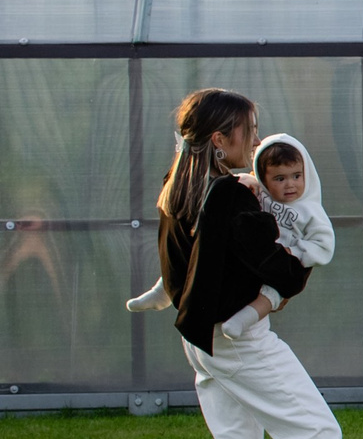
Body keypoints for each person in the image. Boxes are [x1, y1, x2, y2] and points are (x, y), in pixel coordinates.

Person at [153, 90, 345, 439]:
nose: (258, 141)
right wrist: (298, 262)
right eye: (250, 130)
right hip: (237, 339)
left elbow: (176, 274)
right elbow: (280, 268)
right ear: (221, 139)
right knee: (319, 436)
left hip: (199, 337)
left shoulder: (177, 190)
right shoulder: (233, 197)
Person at [129, 132, 333, 316]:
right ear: (263, 178)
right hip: (252, 262)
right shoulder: (260, 192)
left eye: (297, 176)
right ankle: (163, 289)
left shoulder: (311, 210)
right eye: (279, 178)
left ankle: (244, 321)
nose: (290, 184)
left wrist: (297, 252)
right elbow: (239, 181)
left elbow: (323, 244)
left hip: (279, 263)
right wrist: (244, 181)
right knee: (191, 256)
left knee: (270, 295)